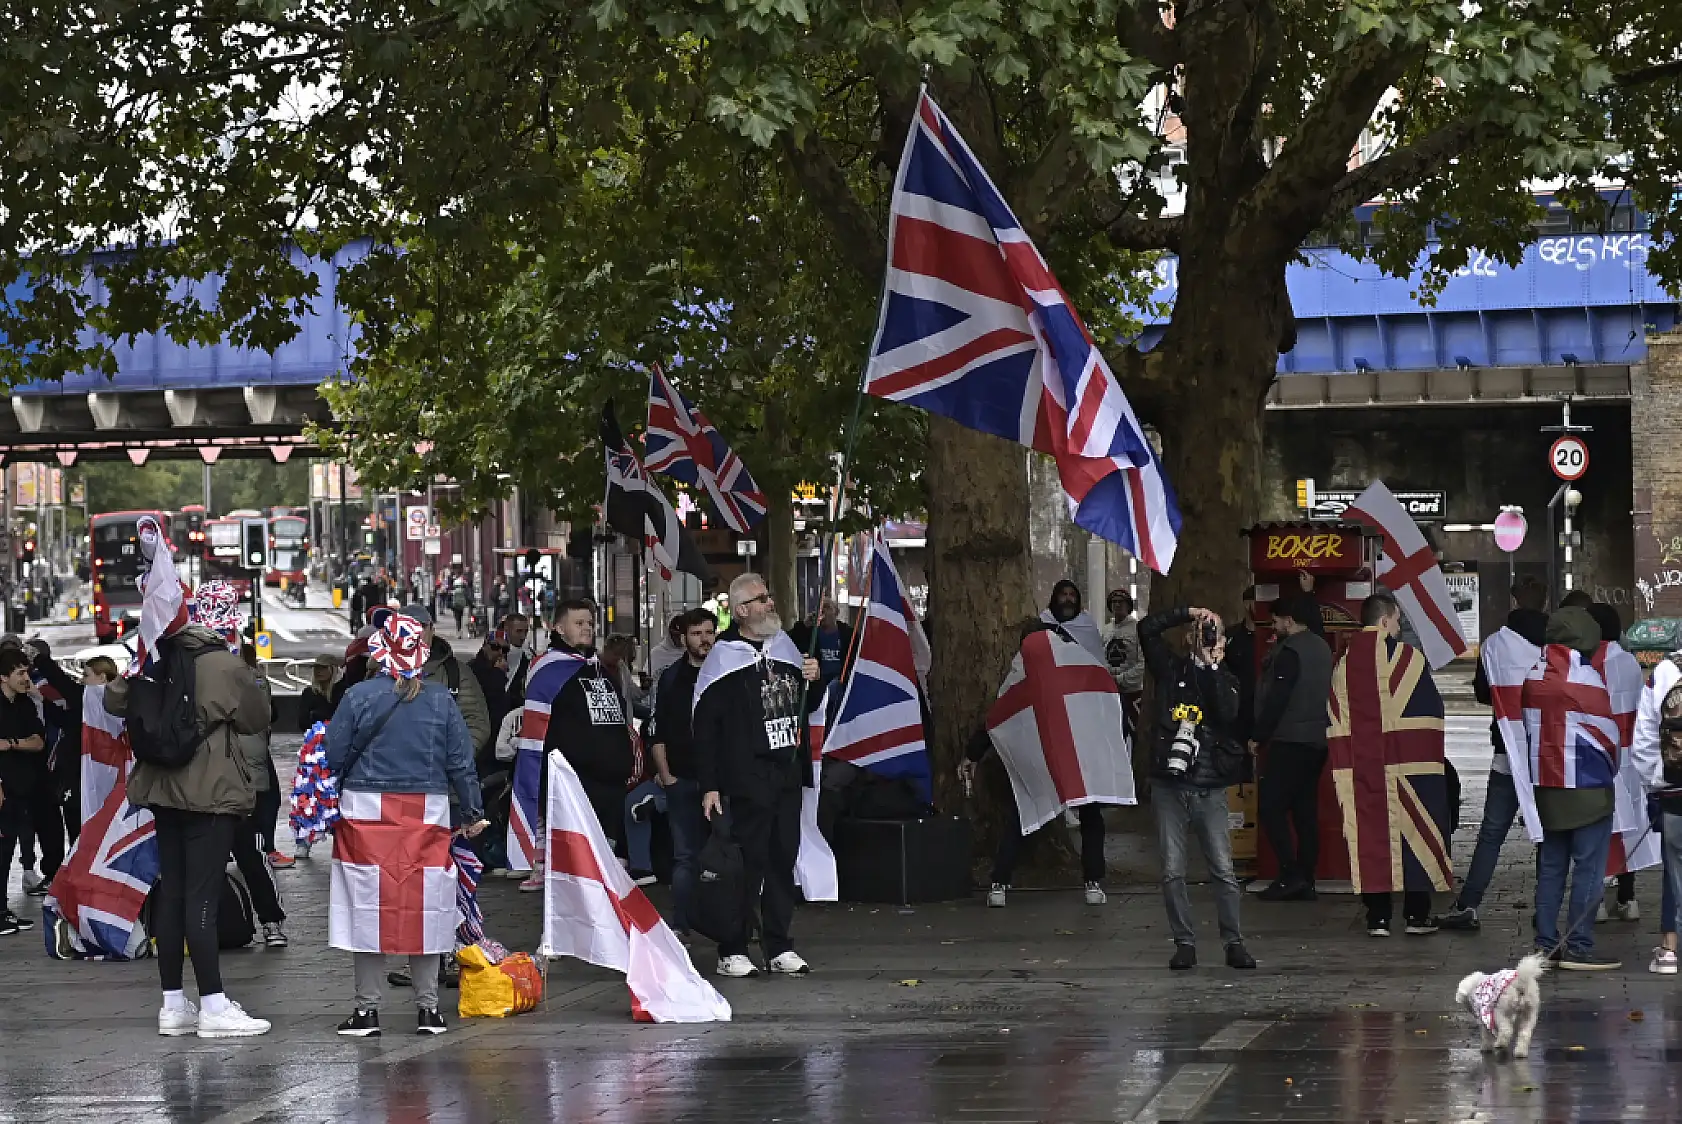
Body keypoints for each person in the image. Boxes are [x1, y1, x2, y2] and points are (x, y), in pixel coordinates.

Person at [106, 611, 273, 1037]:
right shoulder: (226, 665)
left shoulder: (154, 659)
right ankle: (214, 1006)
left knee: (174, 893)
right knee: (203, 898)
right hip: (211, 794)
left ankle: (173, 1005)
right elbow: (258, 718)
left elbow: (114, 701)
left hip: (163, 791)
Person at [328, 613, 485, 1037]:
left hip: (364, 815)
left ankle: (367, 1012)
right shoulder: (439, 699)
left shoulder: (359, 695)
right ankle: (428, 1010)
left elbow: (333, 754)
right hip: (426, 814)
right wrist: (472, 812)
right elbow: (461, 763)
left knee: (367, 909)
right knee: (427, 908)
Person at [693, 573, 822, 977]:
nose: (771, 603)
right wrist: (710, 784)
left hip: (784, 772)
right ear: (741, 610)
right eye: (762, 599)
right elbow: (705, 727)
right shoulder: (723, 658)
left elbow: (807, 705)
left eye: (769, 596)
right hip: (744, 776)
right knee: (743, 865)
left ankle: (778, 944)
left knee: (782, 858)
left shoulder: (785, 647)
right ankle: (734, 946)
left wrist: (813, 681)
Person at [962, 614, 1130, 908]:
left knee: (1024, 814)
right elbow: (1103, 698)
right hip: (1078, 756)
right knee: (1091, 817)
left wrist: (972, 754)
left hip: (1040, 758)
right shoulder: (1077, 662)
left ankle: (999, 884)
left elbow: (1000, 718)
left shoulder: (1021, 671)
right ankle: (1093, 882)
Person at [1137, 604, 1254, 971]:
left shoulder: (1228, 677)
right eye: (1202, 630)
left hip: (1208, 785)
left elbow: (1227, 712)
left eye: (1213, 631)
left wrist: (1212, 664)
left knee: (1222, 868)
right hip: (1169, 783)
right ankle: (1184, 942)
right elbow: (1147, 629)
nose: (1206, 636)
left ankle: (1233, 942)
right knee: (1172, 869)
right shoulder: (1170, 670)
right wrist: (1186, 612)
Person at [1329, 592, 1454, 937]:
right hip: (1409, 765)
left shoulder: (1343, 665)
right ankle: (1416, 916)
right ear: (1385, 621)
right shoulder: (1410, 659)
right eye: (1397, 620)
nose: (1398, 627)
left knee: (1370, 835)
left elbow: (1336, 717)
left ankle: (1378, 918)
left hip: (1362, 768)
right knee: (1416, 832)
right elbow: (1431, 711)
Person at [1434, 576, 1549, 931]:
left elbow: (1484, 693)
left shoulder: (1495, 644)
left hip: (1507, 752)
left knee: (1491, 833)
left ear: (1514, 602)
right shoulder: (1556, 643)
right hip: (1550, 757)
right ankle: (1545, 912)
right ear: (1545, 603)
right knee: (1548, 836)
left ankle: (1468, 905)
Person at [1527, 605, 1621, 969]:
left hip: (1546, 787)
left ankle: (1545, 947)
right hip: (1587, 790)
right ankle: (1579, 946)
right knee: (1588, 870)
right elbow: (1608, 737)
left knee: (1550, 869)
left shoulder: (1533, 674)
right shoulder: (1586, 678)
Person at [523, 600, 636, 892]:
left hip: (611, 787)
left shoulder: (597, 669)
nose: (587, 628)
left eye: (589, 623)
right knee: (579, 879)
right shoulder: (549, 670)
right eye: (579, 623)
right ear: (559, 628)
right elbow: (538, 732)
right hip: (576, 788)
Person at [1252, 593, 1334, 901]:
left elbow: (1277, 698)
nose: (1273, 627)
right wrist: (1309, 592)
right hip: (1317, 740)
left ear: (1288, 619)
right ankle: (1306, 877)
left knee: (1271, 807)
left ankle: (1289, 874)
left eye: (1275, 621)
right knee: (1304, 811)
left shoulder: (1290, 651)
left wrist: (1258, 735)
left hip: (1290, 740)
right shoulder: (1322, 646)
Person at [647, 608, 716, 934]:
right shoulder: (672, 678)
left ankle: (726, 923)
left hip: (721, 779)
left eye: (708, 632)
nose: (704, 639)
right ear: (683, 637)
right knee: (686, 856)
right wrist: (668, 776)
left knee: (724, 857)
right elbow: (658, 731)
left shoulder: (725, 673)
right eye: (696, 633)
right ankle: (682, 924)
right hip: (684, 779)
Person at [1588, 601, 1644, 924]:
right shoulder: (1631, 663)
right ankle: (1628, 897)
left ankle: (1596, 901)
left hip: (1599, 756)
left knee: (1600, 828)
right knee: (1629, 825)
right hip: (1629, 754)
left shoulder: (1586, 663)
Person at [1633, 635, 1682, 973]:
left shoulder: (1664, 672)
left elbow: (1644, 737)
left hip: (1675, 789)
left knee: (1675, 868)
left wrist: (1656, 782)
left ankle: (1668, 949)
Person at [0, 649, 49, 934]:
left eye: (26, 672)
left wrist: (12, 742)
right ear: (3, 676)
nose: (26, 678)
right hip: (4, 788)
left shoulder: (24, 704)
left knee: (8, 851)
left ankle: (3, 909)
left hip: (22, 788)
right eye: (19, 673)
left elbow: (38, 741)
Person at [402, 604, 492, 758]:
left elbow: (476, 723)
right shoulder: (380, 672)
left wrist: (454, 761)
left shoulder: (456, 673)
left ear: (432, 629)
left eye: (420, 627)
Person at [789, 597, 855, 692]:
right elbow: (791, 640)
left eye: (827, 607)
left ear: (836, 612)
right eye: (819, 607)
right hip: (817, 682)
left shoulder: (848, 634)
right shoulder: (810, 633)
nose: (823, 610)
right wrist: (804, 625)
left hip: (840, 682)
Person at [1222, 587, 1260, 749]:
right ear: (1247, 604)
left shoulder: (1274, 637)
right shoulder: (1231, 636)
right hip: (1237, 714)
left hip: (1263, 713)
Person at [1102, 589, 1144, 726]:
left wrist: (1121, 679)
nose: (1117, 605)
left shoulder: (1138, 629)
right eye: (1114, 602)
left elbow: (1143, 663)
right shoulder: (1105, 630)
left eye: (1121, 602)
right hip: (1110, 693)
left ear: (1128, 606)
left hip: (1133, 694)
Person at [467, 632, 512, 751]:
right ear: (485, 646)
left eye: (505, 649)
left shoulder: (504, 668)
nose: (500, 653)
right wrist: (498, 674)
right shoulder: (473, 668)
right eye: (495, 647)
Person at [1041, 579, 1104, 660]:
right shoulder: (1043, 622)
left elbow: (1096, 658)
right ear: (1056, 598)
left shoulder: (1087, 625)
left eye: (1072, 595)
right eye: (1063, 594)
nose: (1068, 598)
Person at [299, 655, 338, 731]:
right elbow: (302, 721)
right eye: (316, 667)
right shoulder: (309, 692)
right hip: (314, 736)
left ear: (333, 669)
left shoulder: (342, 691)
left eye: (323, 668)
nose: (319, 671)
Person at [648, 614, 687, 684]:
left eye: (681, 635)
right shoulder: (657, 653)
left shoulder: (692, 653)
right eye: (675, 636)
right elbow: (650, 680)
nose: (679, 639)